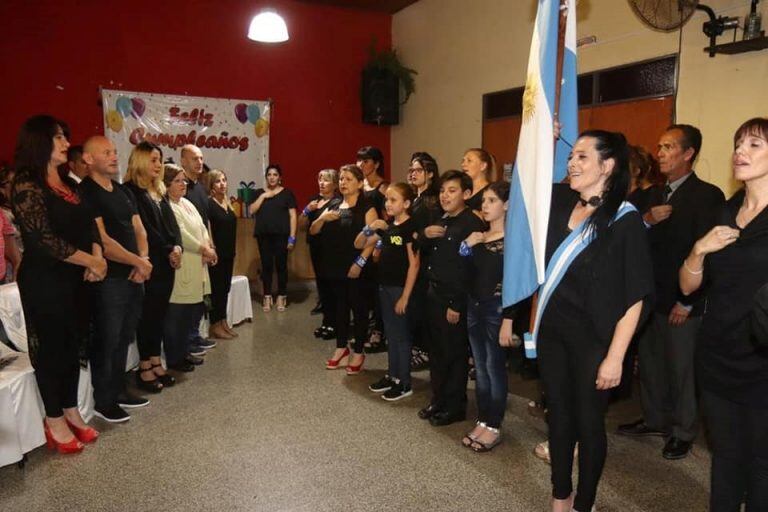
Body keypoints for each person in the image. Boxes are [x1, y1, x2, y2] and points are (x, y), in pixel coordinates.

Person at [505, 130, 653, 512]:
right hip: (553, 333)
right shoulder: (559, 201)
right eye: (574, 156)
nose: (573, 163)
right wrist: (542, 137)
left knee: (588, 425)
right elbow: (527, 180)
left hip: (595, 341)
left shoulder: (625, 221)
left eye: (583, 157)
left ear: (608, 165)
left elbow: (635, 297)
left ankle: (583, 503)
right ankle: (560, 497)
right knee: (559, 420)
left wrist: (616, 357)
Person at [618, 124, 725, 460]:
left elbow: (707, 253)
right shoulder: (651, 195)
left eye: (668, 147)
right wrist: (646, 221)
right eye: (660, 147)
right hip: (650, 298)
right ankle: (654, 418)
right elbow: (630, 241)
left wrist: (688, 301)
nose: (660, 153)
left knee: (681, 371)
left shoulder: (708, 195)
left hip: (682, 301)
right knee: (649, 365)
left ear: (688, 153)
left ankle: (682, 431)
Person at [679, 117, 768, 512]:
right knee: (726, 460)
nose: (739, 152)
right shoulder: (723, 211)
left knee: (763, 466)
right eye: (737, 144)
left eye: (754, 145)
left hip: (764, 361)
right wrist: (699, 250)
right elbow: (687, 287)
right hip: (718, 356)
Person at [12, 115, 106, 453]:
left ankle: (71, 410)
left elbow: (92, 225)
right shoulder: (25, 183)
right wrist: (92, 261)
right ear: (39, 141)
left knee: (72, 345)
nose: (68, 143)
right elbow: (44, 240)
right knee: (52, 349)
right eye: (59, 137)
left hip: (77, 279)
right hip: (45, 281)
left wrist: (98, 257)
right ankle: (53, 419)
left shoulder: (70, 182)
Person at [80, 136, 152, 422]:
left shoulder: (122, 191)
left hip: (135, 275)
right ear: (88, 159)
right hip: (110, 279)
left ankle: (120, 389)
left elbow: (139, 229)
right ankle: (104, 399)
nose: (113, 156)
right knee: (107, 339)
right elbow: (104, 241)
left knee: (124, 336)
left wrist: (143, 261)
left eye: (114, 151)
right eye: (105, 152)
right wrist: (138, 262)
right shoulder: (86, 192)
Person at [417, 170, 486, 427]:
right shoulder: (441, 219)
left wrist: (456, 304)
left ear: (466, 194)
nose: (445, 196)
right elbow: (421, 248)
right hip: (433, 294)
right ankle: (439, 399)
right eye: (443, 191)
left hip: (453, 300)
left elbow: (470, 269)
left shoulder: (471, 223)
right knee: (436, 352)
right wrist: (425, 234)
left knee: (454, 355)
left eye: (452, 190)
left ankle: (455, 406)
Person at [124, 142, 182, 387]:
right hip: (149, 263)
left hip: (167, 262)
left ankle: (157, 362)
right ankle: (145, 366)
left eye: (159, 160)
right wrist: (169, 249)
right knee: (147, 316)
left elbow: (172, 226)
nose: (158, 165)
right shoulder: (130, 192)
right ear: (139, 161)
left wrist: (177, 246)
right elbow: (145, 229)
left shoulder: (158, 191)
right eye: (153, 160)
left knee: (159, 314)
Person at [310, 164, 377, 375]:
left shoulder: (368, 208)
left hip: (357, 267)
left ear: (359, 183)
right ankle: (341, 348)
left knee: (359, 309)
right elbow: (313, 232)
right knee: (339, 308)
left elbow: (373, 240)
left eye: (348, 179)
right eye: (341, 179)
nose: (343, 183)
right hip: (334, 266)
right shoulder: (335, 204)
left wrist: (360, 263)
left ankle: (358, 351)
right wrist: (321, 219)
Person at [460, 181, 511, 452]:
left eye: (492, 200)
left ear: (506, 205)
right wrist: (467, 246)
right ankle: (483, 418)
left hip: (496, 308)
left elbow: (514, 282)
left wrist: (509, 319)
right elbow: (465, 271)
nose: (485, 205)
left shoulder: (512, 240)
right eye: (484, 201)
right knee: (479, 368)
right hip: (474, 306)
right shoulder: (478, 235)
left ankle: (494, 425)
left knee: (494, 367)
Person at [357, 183, 419, 401]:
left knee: (401, 337)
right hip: (384, 287)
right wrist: (370, 228)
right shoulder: (390, 227)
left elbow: (414, 265)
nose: (388, 204)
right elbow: (359, 244)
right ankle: (392, 375)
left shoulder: (410, 229)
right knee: (391, 336)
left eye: (393, 200)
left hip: (400, 289)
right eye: (387, 200)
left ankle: (404, 382)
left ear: (407, 204)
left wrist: (405, 296)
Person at [164, 164, 216, 371]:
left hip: (198, 264)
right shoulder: (168, 206)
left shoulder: (186, 203)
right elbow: (182, 234)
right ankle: (175, 357)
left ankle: (184, 351)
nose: (183, 184)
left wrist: (208, 247)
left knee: (189, 314)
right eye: (177, 180)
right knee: (176, 317)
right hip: (183, 266)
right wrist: (204, 248)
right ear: (166, 184)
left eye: (184, 180)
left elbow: (201, 226)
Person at [179, 144, 216, 354]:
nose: (199, 162)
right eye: (194, 158)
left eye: (201, 158)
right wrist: (201, 248)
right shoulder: (179, 187)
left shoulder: (200, 187)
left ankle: (195, 335)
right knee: (189, 298)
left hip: (203, 250)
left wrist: (210, 244)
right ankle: (187, 340)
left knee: (200, 296)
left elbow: (204, 220)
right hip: (189, 252)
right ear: (183, 161)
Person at [248, 164, 297, 312]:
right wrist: (263, 196)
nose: (272, 177)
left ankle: (282, 296)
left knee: (281, 267)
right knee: (266, 267)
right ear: (266, 177)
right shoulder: (258, 193)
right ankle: (267, 296)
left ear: (280, 178)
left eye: (275, 175)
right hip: (264, 236)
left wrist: (292, 237)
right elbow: (251, 210)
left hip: (282, 236)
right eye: (269, 174)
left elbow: (293, 216)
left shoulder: (287, 194)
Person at [301, 168, 340, 340]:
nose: (322, 183)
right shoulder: (314, 201)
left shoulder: (338, 202)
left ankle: (336, 323)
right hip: (316, 247)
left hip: (331, 249)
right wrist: (307, 210)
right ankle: (326, 321)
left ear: (335, 184)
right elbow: (301, 225)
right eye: (320, 179)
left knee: (332, 287)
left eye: (326, 180)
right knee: (322, 285)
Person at [357, 146, 389, 352]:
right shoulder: (359, 186)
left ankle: (379, 330)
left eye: (366, 161)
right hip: (361, 241)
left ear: (376, 163)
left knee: (377, 290)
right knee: (364, 289)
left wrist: (379, 245)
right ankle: (366, 326)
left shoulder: (383, 187)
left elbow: (388, 220)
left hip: (377, 242)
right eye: (359, 161)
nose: (361, 165)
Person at [207, 169, 238, 339]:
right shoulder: (209, 204)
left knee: (225, 289)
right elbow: (208, 228)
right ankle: (215, 324)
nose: (222, 184)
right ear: (211, 185)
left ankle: (223, 320)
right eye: (218, 181)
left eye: (224, 180)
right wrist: (212, 249)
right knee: (216, 290)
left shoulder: (228, 203)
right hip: (217, 254)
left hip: (229, 253)